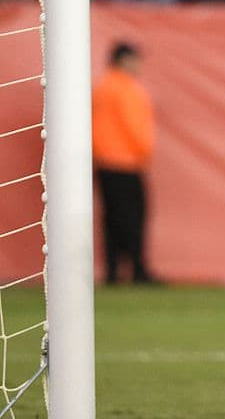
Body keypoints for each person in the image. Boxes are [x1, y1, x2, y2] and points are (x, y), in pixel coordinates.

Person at [92, 42, 156, 284]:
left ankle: (113, 272)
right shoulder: (124, 88)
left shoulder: (104, 86)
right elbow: (134, 126)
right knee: (131, 218)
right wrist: (143, 151)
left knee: (112, 220)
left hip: (107, 161)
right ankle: (138, 271)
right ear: (124, 60)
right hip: (125, 162)